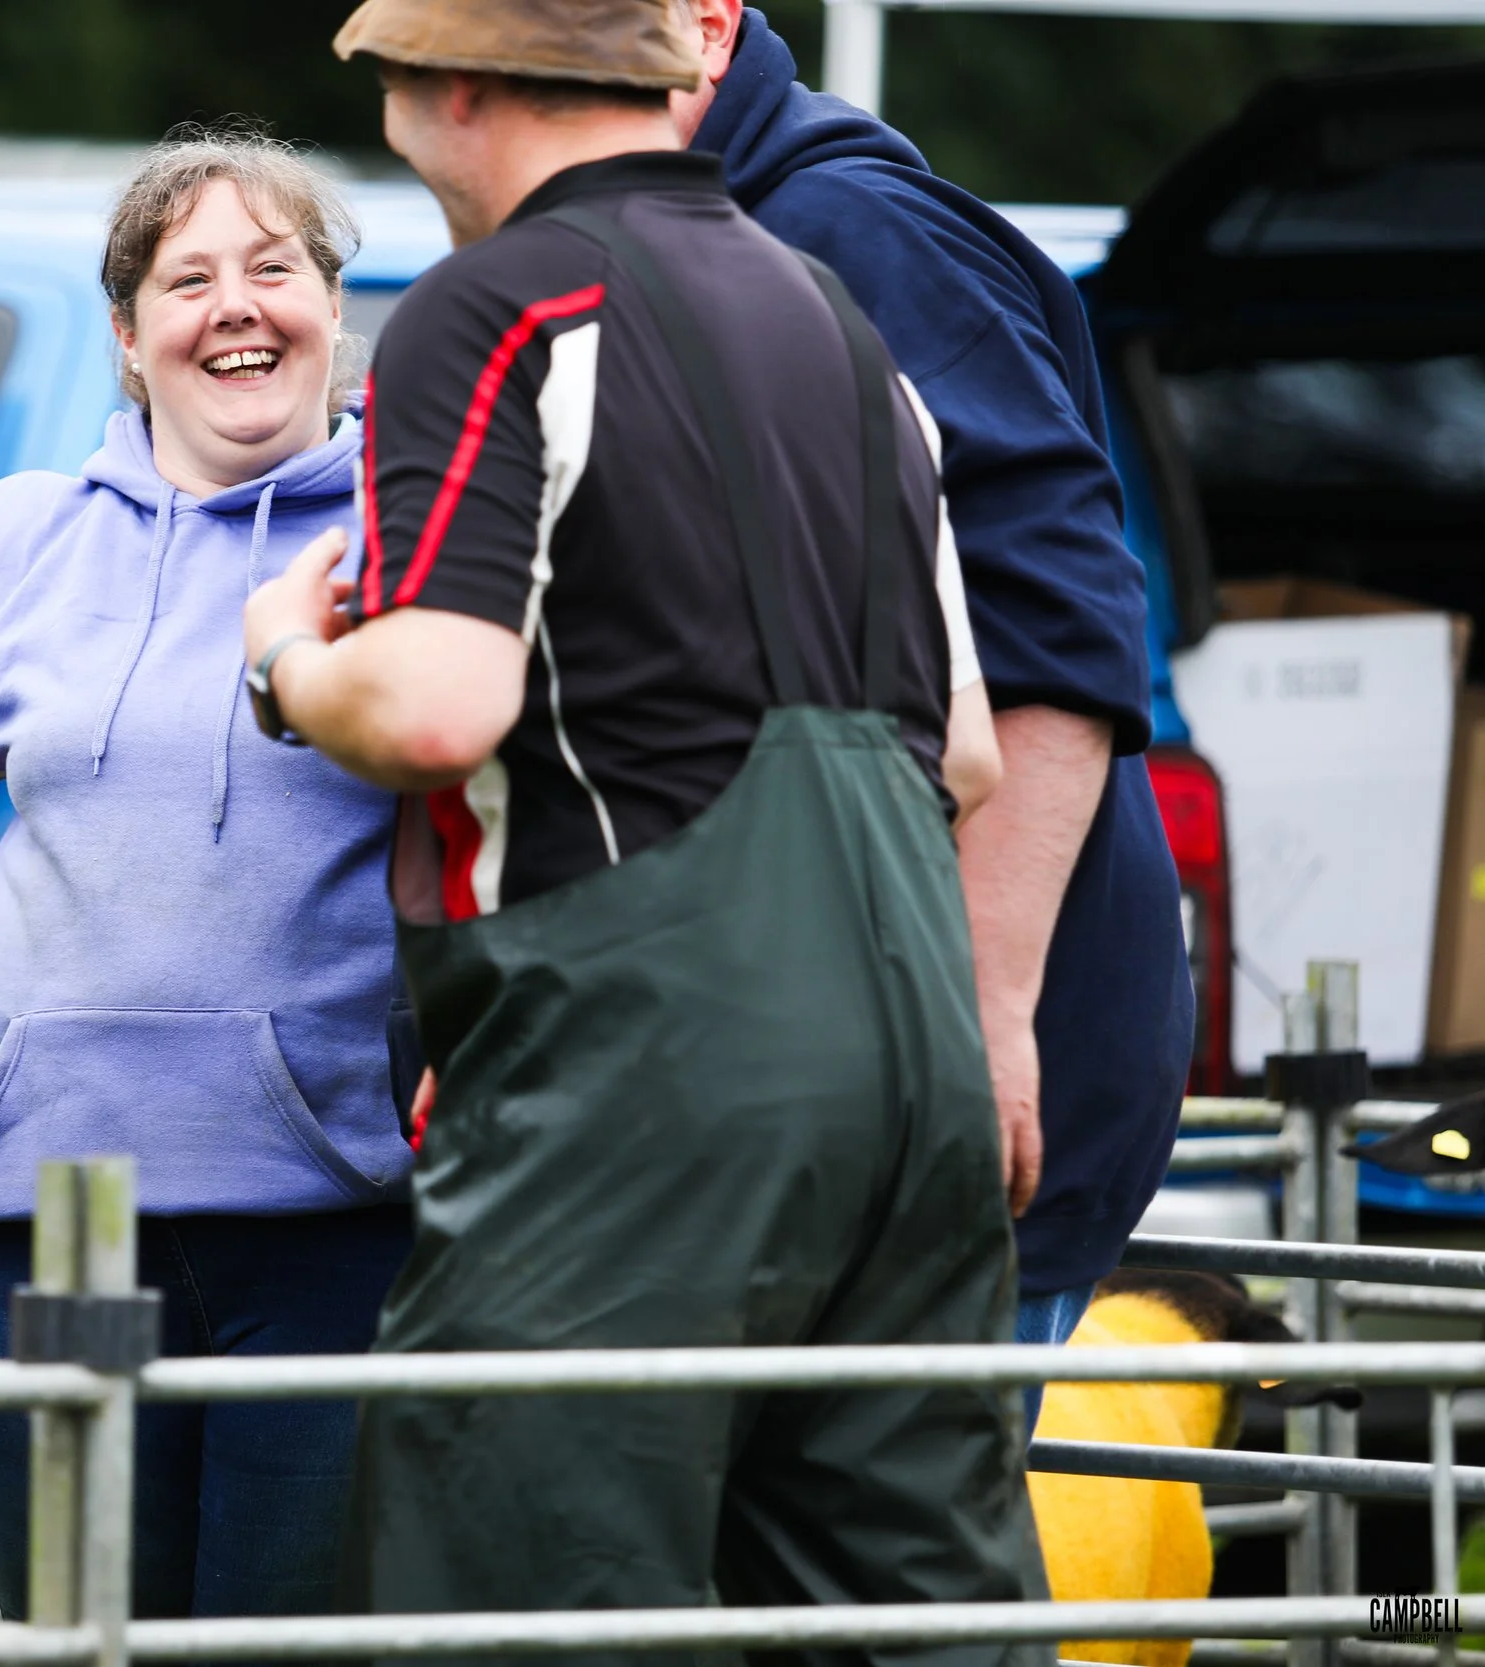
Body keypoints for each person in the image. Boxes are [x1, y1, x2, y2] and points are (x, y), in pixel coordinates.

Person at [241, 0, 1044, 1644]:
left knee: (530, 1600)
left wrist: (284, 664)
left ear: (448, 82)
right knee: (912, 1617)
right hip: (912, 1071)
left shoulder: (490, 311)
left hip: (645, 1075)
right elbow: (961, 751)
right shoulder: (839, 321)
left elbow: (438, 702)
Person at [0, 131, 416, 1621]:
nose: (238, 308)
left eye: (277, 269)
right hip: (37, 1214)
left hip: (330, 1216)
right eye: (189, 279)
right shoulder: (14, 540)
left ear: (336, 309)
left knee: (281, 1653)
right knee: (73, 1641)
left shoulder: (414, 538)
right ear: (131, 339)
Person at [672, 1, 1194, 1419]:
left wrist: (982, 1011)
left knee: (888, 1614)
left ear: (707, 28)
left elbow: (1060, 626)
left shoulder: (844, 227)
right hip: (798, 1091)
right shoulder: (685, 232)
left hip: (943, 1093)